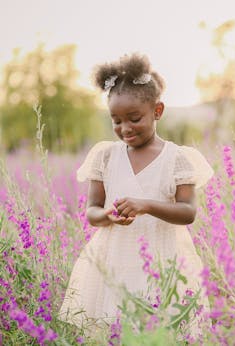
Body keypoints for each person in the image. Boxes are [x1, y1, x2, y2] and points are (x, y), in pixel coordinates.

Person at [58, 53, 213, 336]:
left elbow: (188, 212)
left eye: (134, 118)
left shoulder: (177, 158)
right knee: (116, 330)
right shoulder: (105, 156)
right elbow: (91, 211)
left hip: (164, 262)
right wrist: (105, 215)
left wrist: (146, 205)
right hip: (115, 260)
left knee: (161, 331)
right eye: (116, 120)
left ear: (157, 110)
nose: (124, 128)